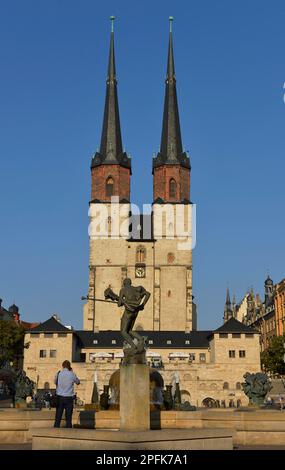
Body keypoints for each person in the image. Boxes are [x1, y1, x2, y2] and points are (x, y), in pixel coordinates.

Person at [54, 360, 80, 428]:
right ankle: (68, 433)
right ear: (69, 366)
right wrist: (71, 372)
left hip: (60, 397)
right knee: (68, 417)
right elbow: (78, 382)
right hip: (69, 397)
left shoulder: (59, 373)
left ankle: (55, 432)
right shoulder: (72, 374)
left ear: (62, 366)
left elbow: (55, 382)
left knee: (58, 416)